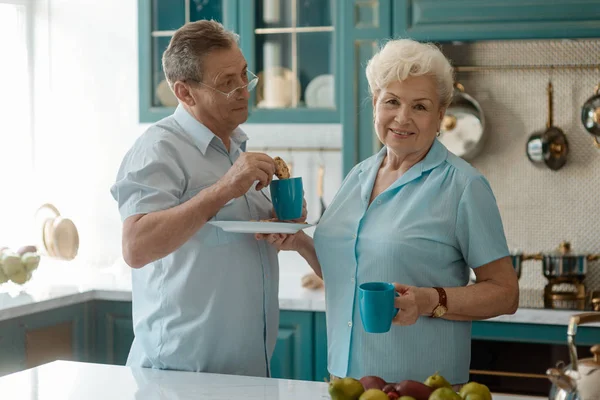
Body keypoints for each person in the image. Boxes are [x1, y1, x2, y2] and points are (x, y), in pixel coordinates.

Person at [256, 38, 519, 384]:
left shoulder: (463, 186)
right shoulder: (358, 176)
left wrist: (429, 300)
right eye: (391, 101)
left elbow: (505, 292)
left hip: (421, 388)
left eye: (420, 106)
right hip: (345, 381)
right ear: (375, 104)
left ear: (441, 114)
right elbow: (350, 273)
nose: (403, 118)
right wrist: (299, 243)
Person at [110, 20, 305, 377]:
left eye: (245, 75)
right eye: (228, 83)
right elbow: (135, 246)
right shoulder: (158, 149)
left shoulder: (236, 148)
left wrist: (283, 226)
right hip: (180, 377)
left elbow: (224, 246)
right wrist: (224, 188)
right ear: (185, 93)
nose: (245, 90)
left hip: (246, 373)